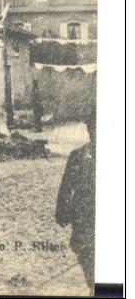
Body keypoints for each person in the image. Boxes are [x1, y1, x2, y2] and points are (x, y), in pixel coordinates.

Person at [55, 110, 96, 289]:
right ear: (89, 130)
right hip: (83, 215)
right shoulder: (78, 156)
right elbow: (66, 185)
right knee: (84, 252)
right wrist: (62, 211)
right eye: (92, 128)